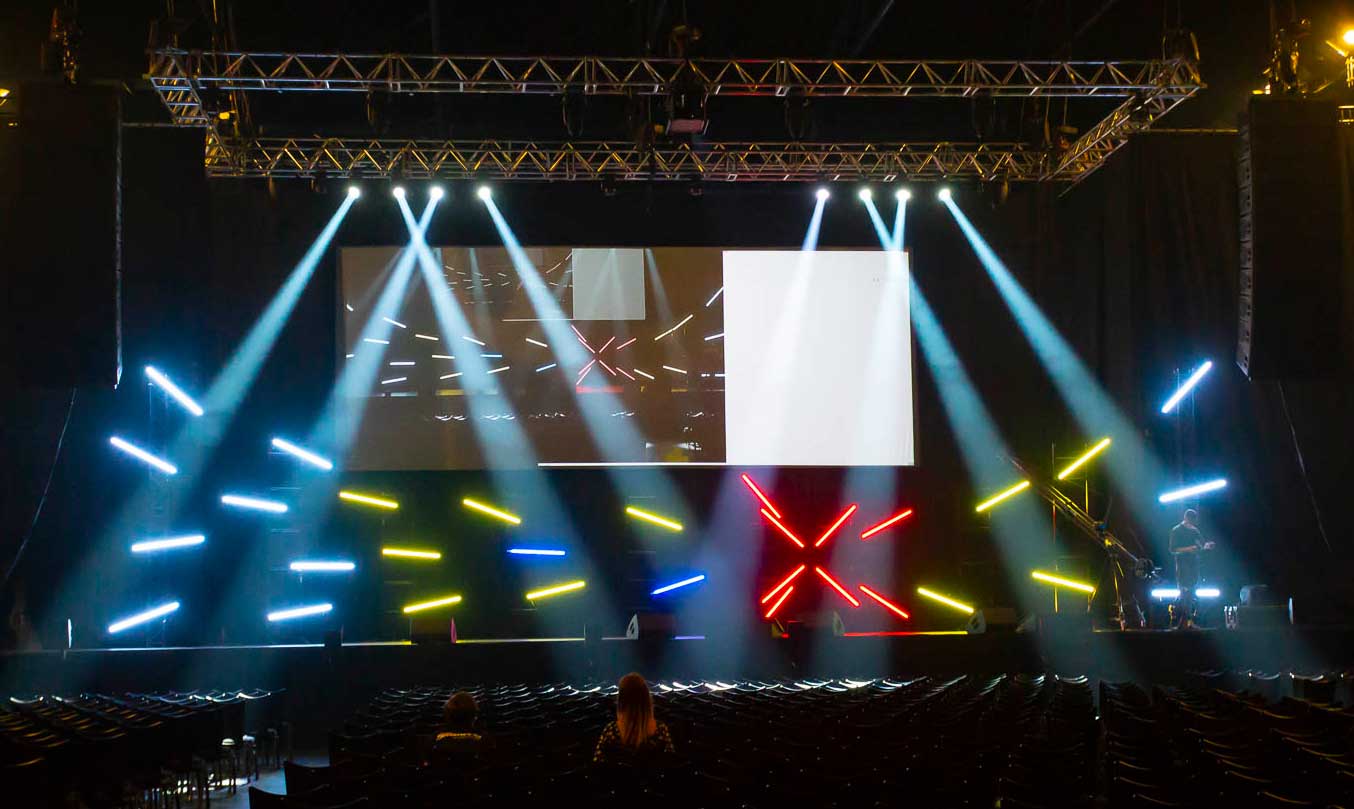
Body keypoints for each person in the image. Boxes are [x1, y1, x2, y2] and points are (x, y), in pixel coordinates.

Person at [593, 673, 675, 764]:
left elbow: (598, 764)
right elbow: (670, 762)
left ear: (621, 700)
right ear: (647, 699)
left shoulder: (610, 731)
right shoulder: (661, 730)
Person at [1168, 509, 1215, 628]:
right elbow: (1172, 549)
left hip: (1194, 566)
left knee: (1192, 593)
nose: (1193, 524)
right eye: (1192, 521)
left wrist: (1207, 546)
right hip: (1183, 566)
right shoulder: (1176, 530)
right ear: (1186, 518)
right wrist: (1188, 549)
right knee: (1184, 593)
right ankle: (1183, 621)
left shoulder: (1195, 531)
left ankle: (1188, 621)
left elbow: (1201, 546)